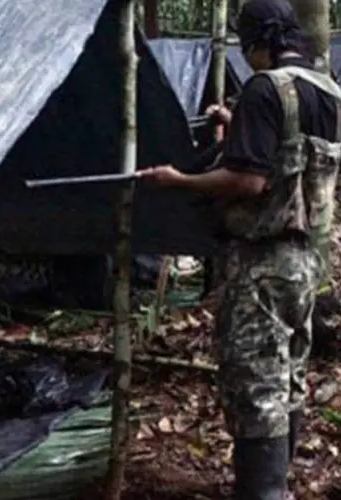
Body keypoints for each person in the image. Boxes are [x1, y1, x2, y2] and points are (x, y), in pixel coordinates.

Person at [138, 0, 341, 498]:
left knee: (255, 382)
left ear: (259, 42)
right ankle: (280, 485)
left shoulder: (264, 89)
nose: (247, 57)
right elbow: (293, 154)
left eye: (246, 46)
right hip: (309, 260)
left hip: (264, 262)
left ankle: (262, 492)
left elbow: (249, 182)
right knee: (289, 371)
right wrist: (238, 120)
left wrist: (180, 180)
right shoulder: (328, 89)